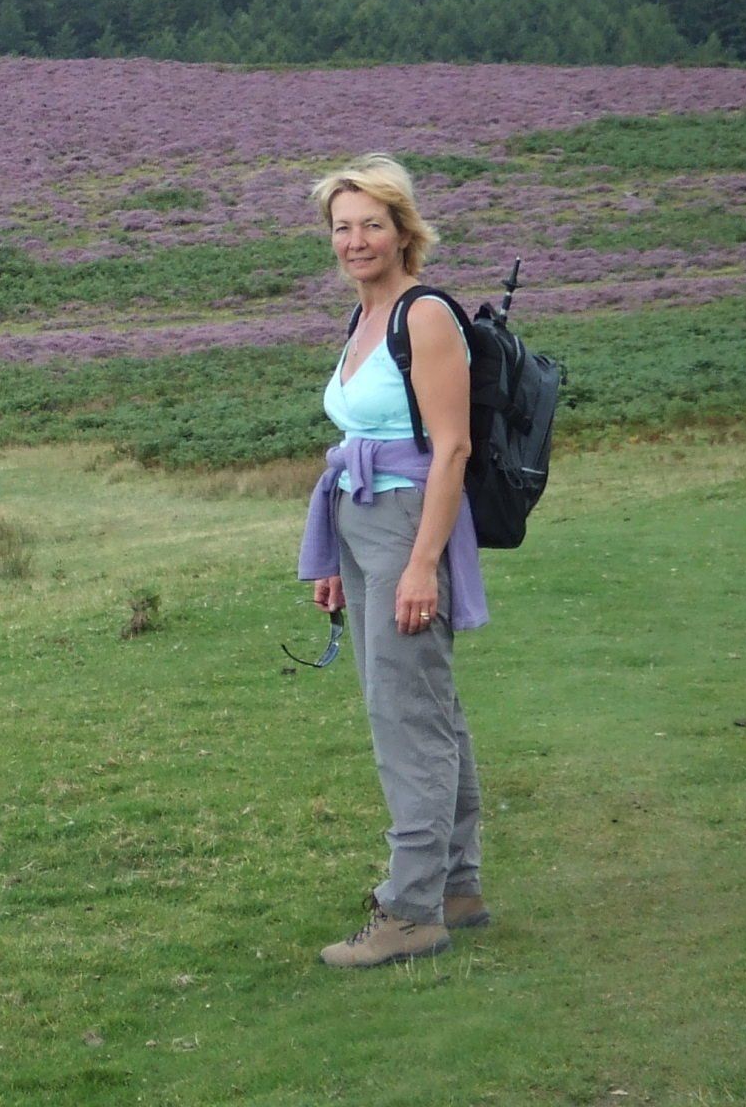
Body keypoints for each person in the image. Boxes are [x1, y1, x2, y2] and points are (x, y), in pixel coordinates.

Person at [296, 153, 490, 968]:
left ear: (404, 230)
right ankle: (456, 888)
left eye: (371, 223)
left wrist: (420, 565)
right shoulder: (363, 319)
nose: (355, 240)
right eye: (342, 226)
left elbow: (452, 451)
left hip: (410, 522)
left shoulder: (425, 317)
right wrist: (337, 554)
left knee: (403, 714)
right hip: (362, 520)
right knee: (426, 705)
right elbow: (357, 442)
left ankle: (411, 911)